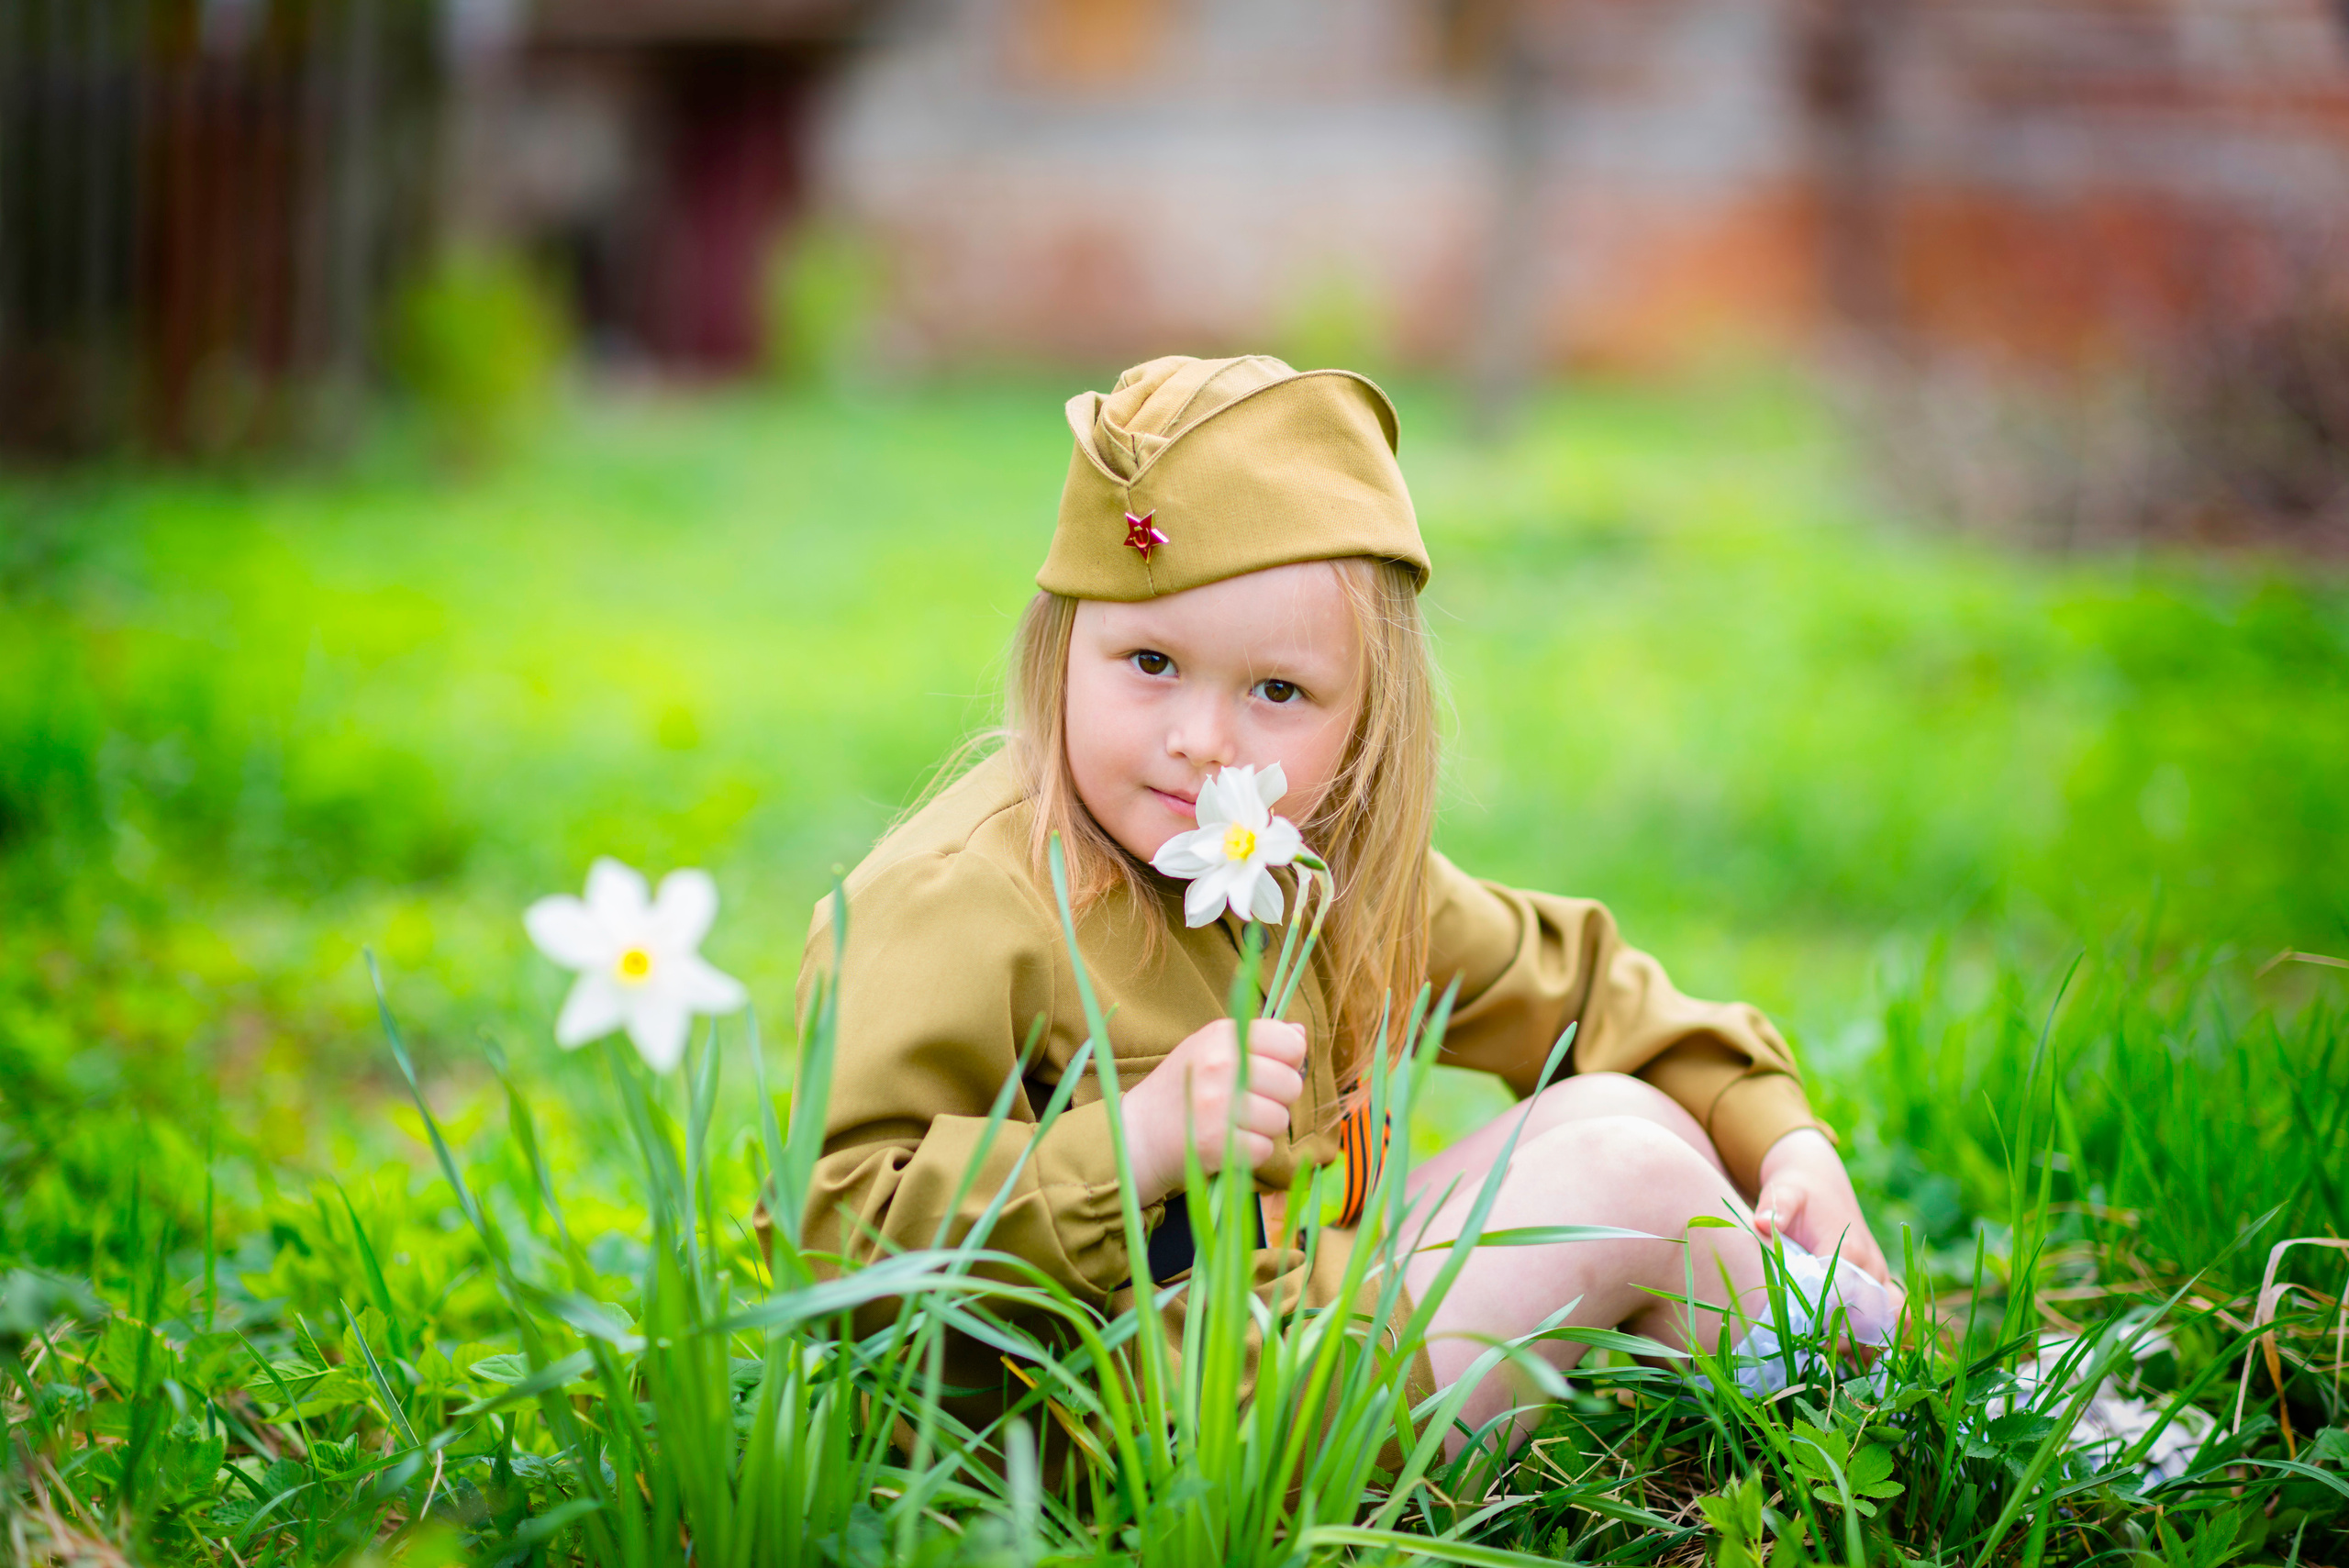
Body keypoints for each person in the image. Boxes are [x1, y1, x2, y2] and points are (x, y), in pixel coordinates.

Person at [797, 353, 1895, 1450]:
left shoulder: (1308, 867)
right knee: (1627, 1176)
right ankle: (1871, 1384)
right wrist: (1131, 1142)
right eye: (1150, 660)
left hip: (1299, 1319)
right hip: (1133, 1428)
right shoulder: (962, 898)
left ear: (1365, 718)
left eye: (1277, 689)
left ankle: (1806, 1399)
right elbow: (840, 1231)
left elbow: (1576, 988)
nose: (1203, 739)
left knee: (1631, 1109)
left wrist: (1784, 1139)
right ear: (1062, 644)